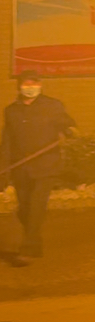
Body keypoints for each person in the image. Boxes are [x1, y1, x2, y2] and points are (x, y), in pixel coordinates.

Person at [0, 70, 76, 266]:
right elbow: (7, 141)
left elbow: (66, 122)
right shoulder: (11, 111)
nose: (30, 88)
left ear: (40, 85)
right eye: (26, 84)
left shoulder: (52, 105)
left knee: (36, 208)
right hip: (22, 168)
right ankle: (35, 244)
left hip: (45, 166)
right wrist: (4, 169)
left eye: (34, 84)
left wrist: (70, 130)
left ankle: (28, 249)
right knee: (24, 210)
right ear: (19, 86)